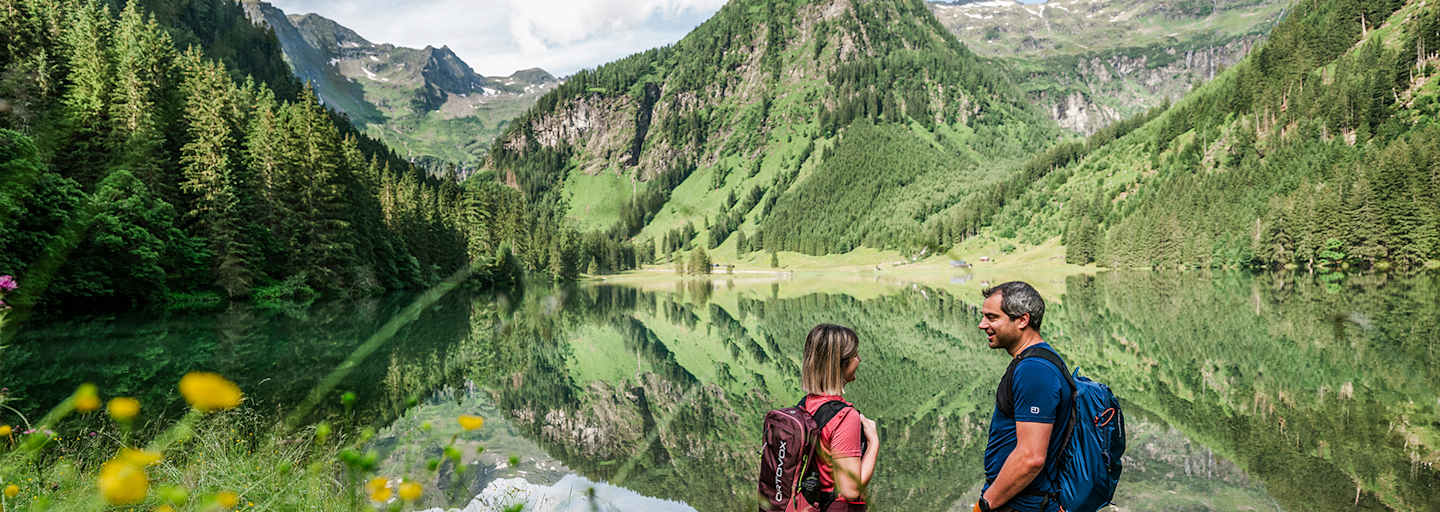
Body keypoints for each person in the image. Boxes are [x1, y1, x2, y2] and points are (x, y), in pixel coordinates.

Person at [975, 282, 1070, 512]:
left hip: (1022, 505)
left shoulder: (1034, 370)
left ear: (1022, 320)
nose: (982, 325)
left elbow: (1031, 458)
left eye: (991, 317)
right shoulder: (1036, 361)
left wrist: (985, 505)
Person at [799, 324, 880, 510]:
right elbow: (850, 489)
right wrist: (873, 442)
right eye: (855, 355)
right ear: (841, 364)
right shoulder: (844, 417)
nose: (859, 359)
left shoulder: (805, 405)